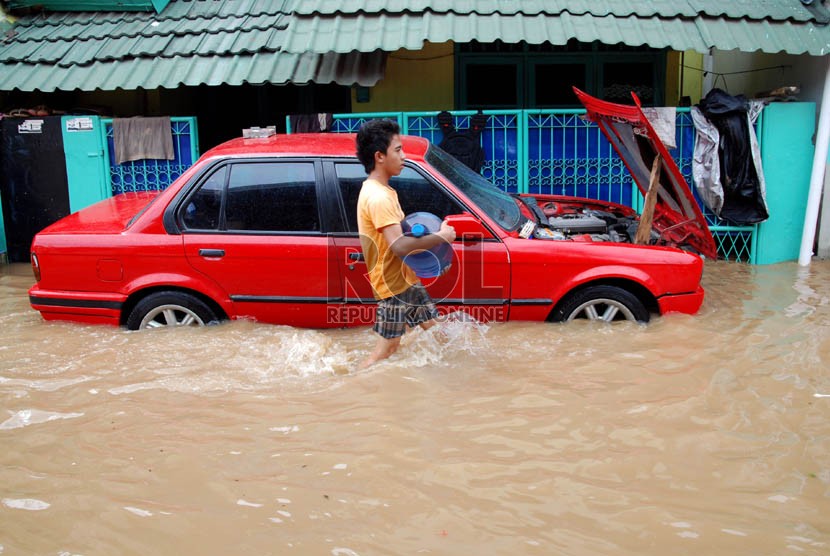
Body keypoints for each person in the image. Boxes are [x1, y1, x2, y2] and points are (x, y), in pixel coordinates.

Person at [355, 119, 456, 368]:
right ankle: (353, 384)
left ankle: (450, 374)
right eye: (398, 150)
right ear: (379, 156)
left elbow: (400, 238)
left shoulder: (380, 190)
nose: (404, 156)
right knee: (387, 349)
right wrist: (442, 238)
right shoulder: (379, 197)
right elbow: (398, 246)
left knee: (434, 331)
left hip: (404, 280)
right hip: (392, 288)